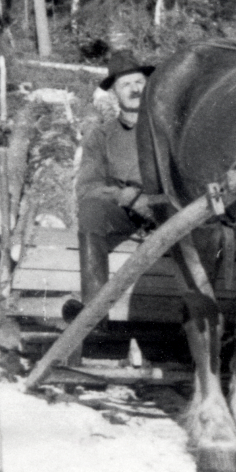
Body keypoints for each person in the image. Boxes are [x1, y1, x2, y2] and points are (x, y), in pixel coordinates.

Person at [75, 49, 159, 308]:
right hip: (125, 212)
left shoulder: (169, 128)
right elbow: (87, 188)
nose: (134, 90)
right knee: (91, 211)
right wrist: (127, 197)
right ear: (114, 92)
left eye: (139, 83)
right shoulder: (102, 136)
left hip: (167, 211)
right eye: (125, 85)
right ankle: (93, 314)